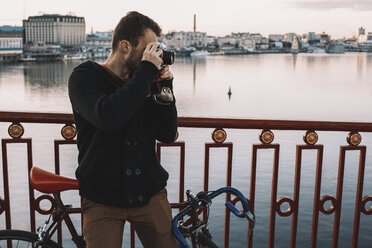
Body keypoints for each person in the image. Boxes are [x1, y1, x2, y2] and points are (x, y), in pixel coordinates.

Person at [68, 11, 178, 248]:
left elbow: (167, 134)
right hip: (102, 200)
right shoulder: (84, 77)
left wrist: (164, 89)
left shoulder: (143, 81)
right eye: (149, 49)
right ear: (125, 46)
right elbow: (109, 116)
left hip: (150, 194)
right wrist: (147, 73)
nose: (154, 56)